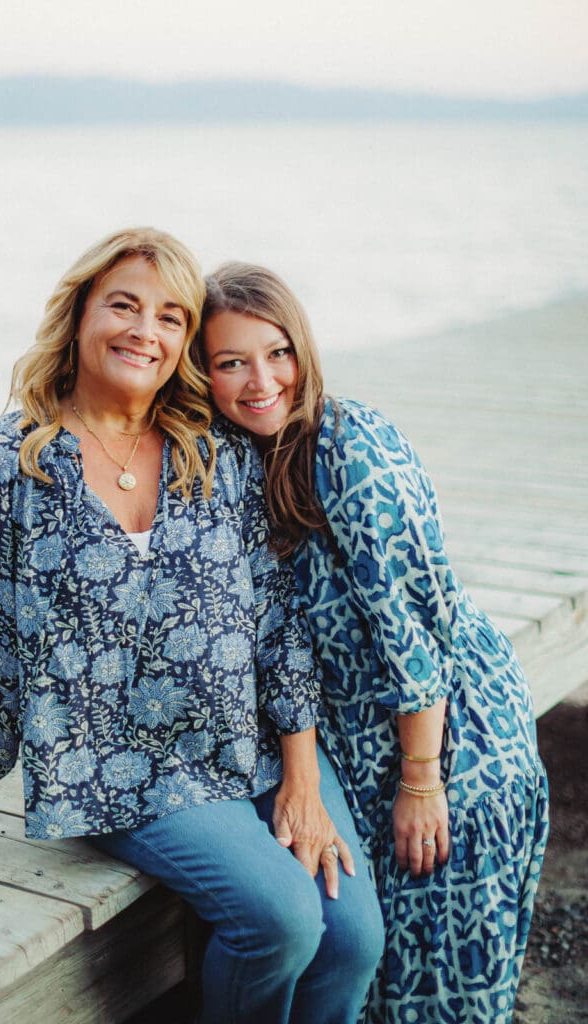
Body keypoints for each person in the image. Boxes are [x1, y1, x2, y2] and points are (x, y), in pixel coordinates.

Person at [0, 229, 384, 1024]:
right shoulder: (9, 461)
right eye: (123, 305)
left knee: (353, 938)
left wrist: (301, 774)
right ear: (80, 313)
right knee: (281, 922)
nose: (144, 331)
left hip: (254, 741)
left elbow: (275, 615)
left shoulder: (213, 449)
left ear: (185, 341)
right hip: (119, 766)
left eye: (170, 317)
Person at [196, 261, 549, 1024]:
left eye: (278, 352)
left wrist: (422, 781)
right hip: (363, 747)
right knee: (390, 977)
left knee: (444, 987)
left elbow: (412, 632)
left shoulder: (349, 447)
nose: (261, 380)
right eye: (232, 362)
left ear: (305, 352)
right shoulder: (247, 456)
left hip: (449, 741)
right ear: (205, 373)